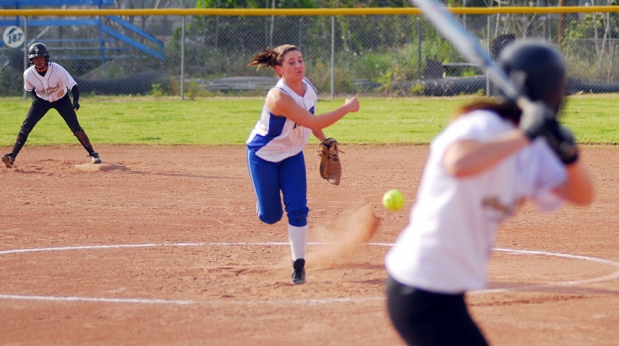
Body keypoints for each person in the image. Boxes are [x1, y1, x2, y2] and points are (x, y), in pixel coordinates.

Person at [384, 39, 594, 345]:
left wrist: (569, 156)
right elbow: (459, 162)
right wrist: (524, 134)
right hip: (419, 286)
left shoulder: (534, 149)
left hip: (445, 290)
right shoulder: (481, 125)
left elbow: (582, 195)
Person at [246, 44, 359, 285]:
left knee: (298, 208)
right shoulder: (278, 97)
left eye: (300, 60)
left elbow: (310, 123)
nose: (298, 65)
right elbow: (310, 119)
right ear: (279, 70)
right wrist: (347, 108)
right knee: (270, 216)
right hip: (264, 155)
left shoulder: (309, 89)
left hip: (292, 155)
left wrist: (323, 139)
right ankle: (263, 202)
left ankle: (298, 265)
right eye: (291, 62)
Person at [1, 42, 102, 168]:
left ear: (46, 58)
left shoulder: (57, 69)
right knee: (25, 127)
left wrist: (75, 101)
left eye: (41, 58)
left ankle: (93, 153)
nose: (39, 62)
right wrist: (36, 98)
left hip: (62, 99)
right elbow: (29, 88)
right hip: (42, 100)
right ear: (31, 61)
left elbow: (73, 86)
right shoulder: (28, 74)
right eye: (35, 59)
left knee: (76, 128)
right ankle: (12, 156)